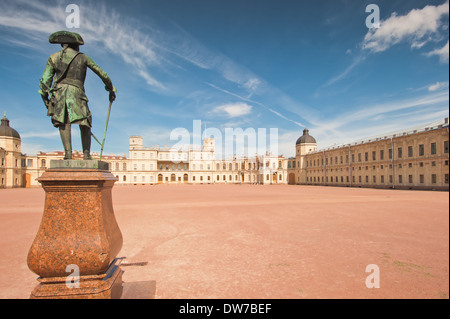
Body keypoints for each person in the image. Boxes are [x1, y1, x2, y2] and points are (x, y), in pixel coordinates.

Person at [39, 30, 117, 160]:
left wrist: (45, 98)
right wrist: (110, 88)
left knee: (63, 121)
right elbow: (102, 73)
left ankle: (68, 154)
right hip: (77, 92)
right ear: (75, 45)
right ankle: (86, 155)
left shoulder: (53, 57)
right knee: (85, 122)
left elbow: (45, 82)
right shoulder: (83, 57)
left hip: (59, 92)